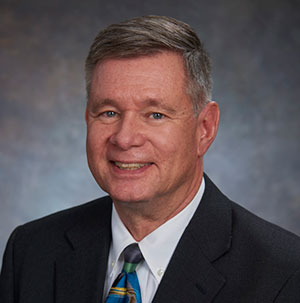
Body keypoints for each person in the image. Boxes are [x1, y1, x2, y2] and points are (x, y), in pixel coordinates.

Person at [0, 15, 299, 303]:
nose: (125, 138)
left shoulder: (284, 274)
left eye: (155, 114)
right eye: (108, 113)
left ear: (204, 129)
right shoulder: (30, 251)